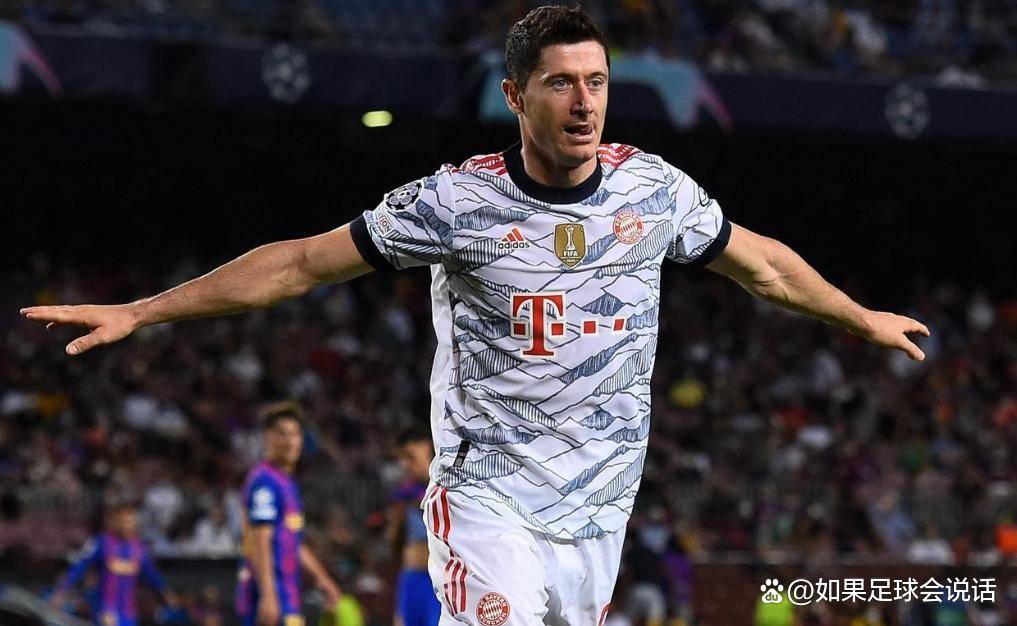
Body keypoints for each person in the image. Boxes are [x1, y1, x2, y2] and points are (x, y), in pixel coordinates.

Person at [21, 5, 931, 624]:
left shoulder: (655, 193)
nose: (584, 102)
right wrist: (144, 311)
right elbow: (299, 265)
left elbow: (763, 266)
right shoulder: (454, 204)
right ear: (515, 95)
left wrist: (860, 317)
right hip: (488, 500)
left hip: (601, 509)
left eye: (596, 81)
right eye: (560, 83)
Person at [236, 402, 342, 626]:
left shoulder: (287, 483)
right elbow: (260, 537)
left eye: (295, 434)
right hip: (268, 594)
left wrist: (322, 578)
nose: (291, 441)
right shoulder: (265, 481)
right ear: (266, 438)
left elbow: (294, 542)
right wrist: (268, 595)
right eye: (282, 434)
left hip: (287, 593)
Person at [49, 501, 175, 626]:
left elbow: (151, 574)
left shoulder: (139, 548)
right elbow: (79, 567)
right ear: (117, 522)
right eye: (125, 521)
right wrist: (61, 591)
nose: (129, 525)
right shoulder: (101, 543)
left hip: (128, 612)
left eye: (132, 521)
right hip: (105, 610)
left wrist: (166, 593)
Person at [386, 424, 441, 626]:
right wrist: (397, 521)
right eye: (403, 459)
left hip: (437, 579)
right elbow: (394, 544)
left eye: (411, 457)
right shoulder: (404, 495)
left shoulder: (445, 491)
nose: (407, 465)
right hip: (410, 579)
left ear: (428, 449)